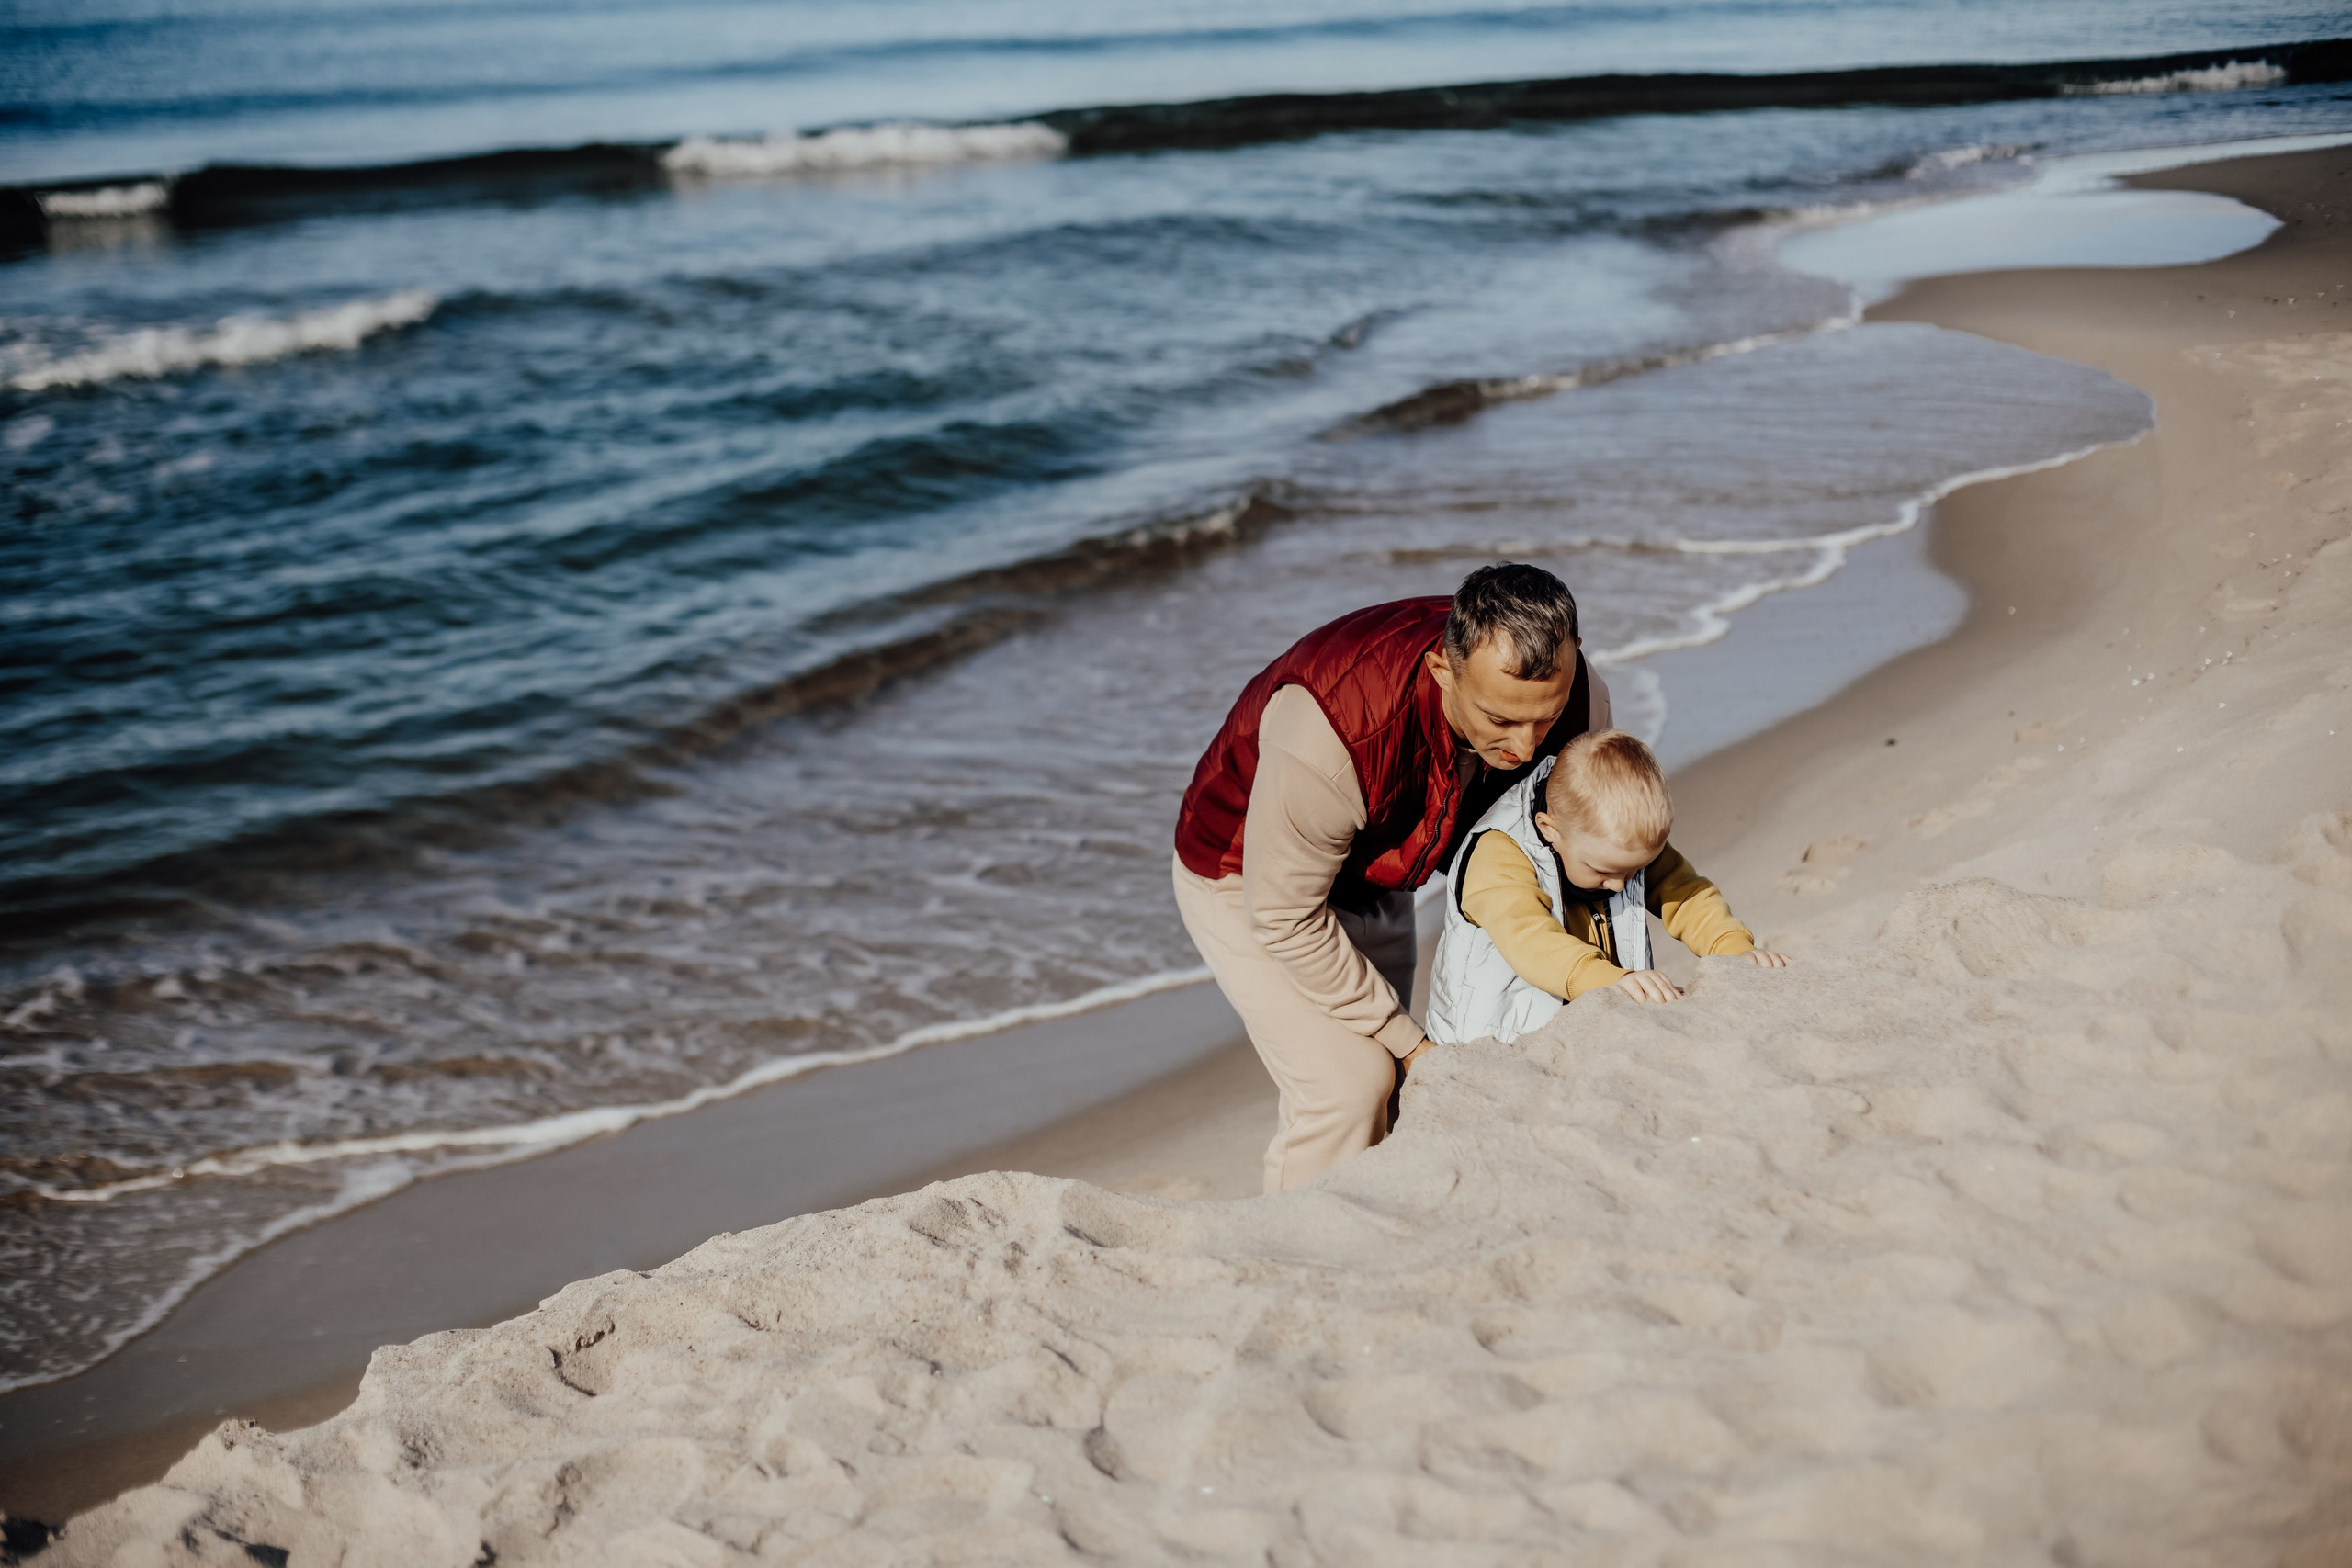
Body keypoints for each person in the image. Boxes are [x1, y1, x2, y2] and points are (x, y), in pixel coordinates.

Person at [1172, 563, 1608, 1192]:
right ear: (1442, 672)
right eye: (1499, 720)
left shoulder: (1579, 697)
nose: (1524, 744)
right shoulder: (1333, 729)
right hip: (1246, 877)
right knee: (1350, 1087)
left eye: (1544, 717)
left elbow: (1583, 847)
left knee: (1400, 1089)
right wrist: (1410, 1042)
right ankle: (1295, 1260)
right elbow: (1284, 916)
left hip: (1375, 864)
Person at [1423, 728, 1784, 1048]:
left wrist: (1732, 948)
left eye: (1636, 870)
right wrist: (1612, 980)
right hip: (1490, 1038)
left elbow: (1687, 894)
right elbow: (1532, 942)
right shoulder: (1497, 853)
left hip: (1582, 1020)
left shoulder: (1620, 847)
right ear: (1550, 829)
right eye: (1603, 871)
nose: (1619, 884)